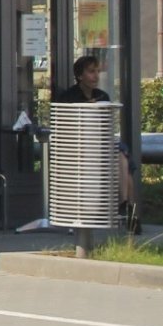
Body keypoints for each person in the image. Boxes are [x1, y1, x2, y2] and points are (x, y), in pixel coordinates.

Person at [51, 53, 138, 226]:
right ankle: (126, 209)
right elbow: (64, 127)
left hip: (101, 143)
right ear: (80, 75)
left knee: (123, 160)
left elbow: (107, 127)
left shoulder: (102, 96)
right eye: (91, 72)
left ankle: (127, 208)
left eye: (97, 71)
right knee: (121, 161)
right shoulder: (69, 98)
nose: (96, 76)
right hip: (78, 146)